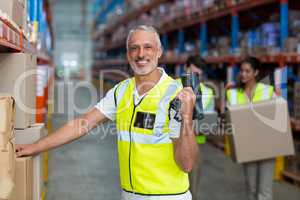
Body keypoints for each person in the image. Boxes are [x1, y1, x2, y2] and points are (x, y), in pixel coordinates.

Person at [16, 25, 199, 200]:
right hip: (130, 195)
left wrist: (186, 118)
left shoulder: (175, 94)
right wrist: (36, 146)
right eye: (134, 48)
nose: (141, 54)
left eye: (148, 47)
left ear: (159, 52)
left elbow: (187, 164)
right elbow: (84, 123)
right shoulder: (121, 92)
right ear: (128, 55)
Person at [226, 56, 276, 200]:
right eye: (242, 71)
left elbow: (278, 115)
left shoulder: (268, 91)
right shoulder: (233, 93)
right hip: (247, 146)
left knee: (264, 190)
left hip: (267, 146)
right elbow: (231, 119)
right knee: (251, 188)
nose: (243, 74)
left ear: (256, 72)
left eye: (248, 71)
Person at [179, 55, 215, 200]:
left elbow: (208, 123)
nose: (194, 78)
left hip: (195, 145)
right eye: (192, 73)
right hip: (170, 144)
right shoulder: (171, 87)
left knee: (192, 189)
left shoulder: (208, 92)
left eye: (198, 75)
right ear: (185, 68)